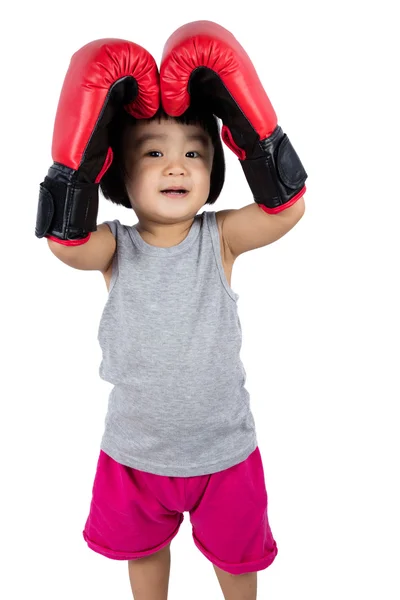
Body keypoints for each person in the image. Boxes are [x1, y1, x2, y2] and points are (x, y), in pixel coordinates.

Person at [37, 22, 307, 600]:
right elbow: (66, 245)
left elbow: (286, 212)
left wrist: (259, 137)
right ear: (119, 176)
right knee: (144, 554)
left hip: (223, 450)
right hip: (137, 453)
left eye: (193, 153)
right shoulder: (116, 245)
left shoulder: (222, 236)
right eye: (154, 153)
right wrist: (73, 171)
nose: (177, 166)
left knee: (237, 560)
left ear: (213, 173)